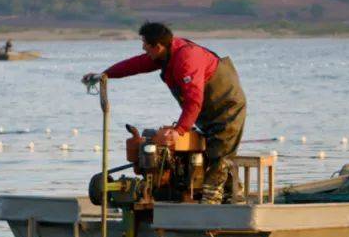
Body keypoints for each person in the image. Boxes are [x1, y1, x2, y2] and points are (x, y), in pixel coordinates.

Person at [82, 22, 247, 204]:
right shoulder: (165, 54)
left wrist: (180, 130)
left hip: (227, 105)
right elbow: (136, 65)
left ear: (158, 46)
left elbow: (193, 100)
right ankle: (232, 197)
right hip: (207, 111)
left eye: (145, 44)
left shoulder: (187, 59)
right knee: (208, 153)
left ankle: (211, 202)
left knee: (220, 154)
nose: (143, 48)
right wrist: (105, 74)